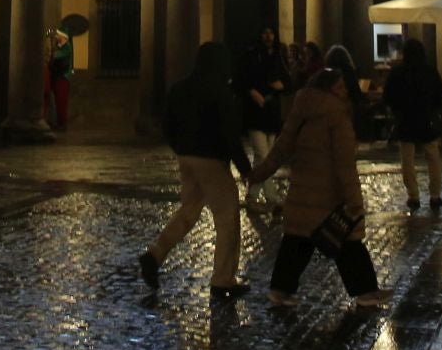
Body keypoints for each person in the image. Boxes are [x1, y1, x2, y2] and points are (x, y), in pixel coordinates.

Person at [248, 66, 391, 309]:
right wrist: (354, 200)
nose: (344, 91)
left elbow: (280, 150)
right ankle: (366, 291)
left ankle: (280, 290)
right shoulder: (337, 117)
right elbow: (345, 164)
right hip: (329, 196)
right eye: (340, 87)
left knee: (297, 241)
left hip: (303, 193)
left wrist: (257, 174)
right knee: (348, 242)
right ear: (327, 89)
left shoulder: (301, 110)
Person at [140, 42, 252, 300]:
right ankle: (223, 279)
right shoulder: (219, 91)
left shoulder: (180, 88)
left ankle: (155, 254)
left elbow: (167, 124)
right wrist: (244, 168)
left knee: (188, 211)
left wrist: (179, 148)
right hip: (211, 159)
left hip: (187, 157)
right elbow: (229, 134)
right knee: (227, 217)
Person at [382, 38, 442, 211]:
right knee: (433, 158)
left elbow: (388, 96)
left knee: (407, 160)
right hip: (426, 118)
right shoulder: (430, 71)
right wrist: (433, 110)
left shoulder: (397, 72)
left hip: (405, 119)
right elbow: (441, 95)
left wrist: (397, 110)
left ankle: (413, 195)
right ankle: (435, 195)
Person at [240, 26, 290, 208]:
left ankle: (252, 196)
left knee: (263, 159)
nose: (268, 36)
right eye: (264, 32)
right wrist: (254, 91)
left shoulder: (278, 55)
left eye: (271, 33)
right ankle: (272, 196)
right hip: (256, 113)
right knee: (264, 156)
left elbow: (288, 81)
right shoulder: (252, 55)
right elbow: (243, 80)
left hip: (271, 113)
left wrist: (281, 86)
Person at [44, 29, 74, 130]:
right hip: (57, 78)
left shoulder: (66, 48)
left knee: (61, 101)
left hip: (62, 78)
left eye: (58, 35)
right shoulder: (60, 47)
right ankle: (58, 122)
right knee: (57, 101)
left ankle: (62, 123)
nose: (56, 37)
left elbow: (57, 59)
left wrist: (51, 56)